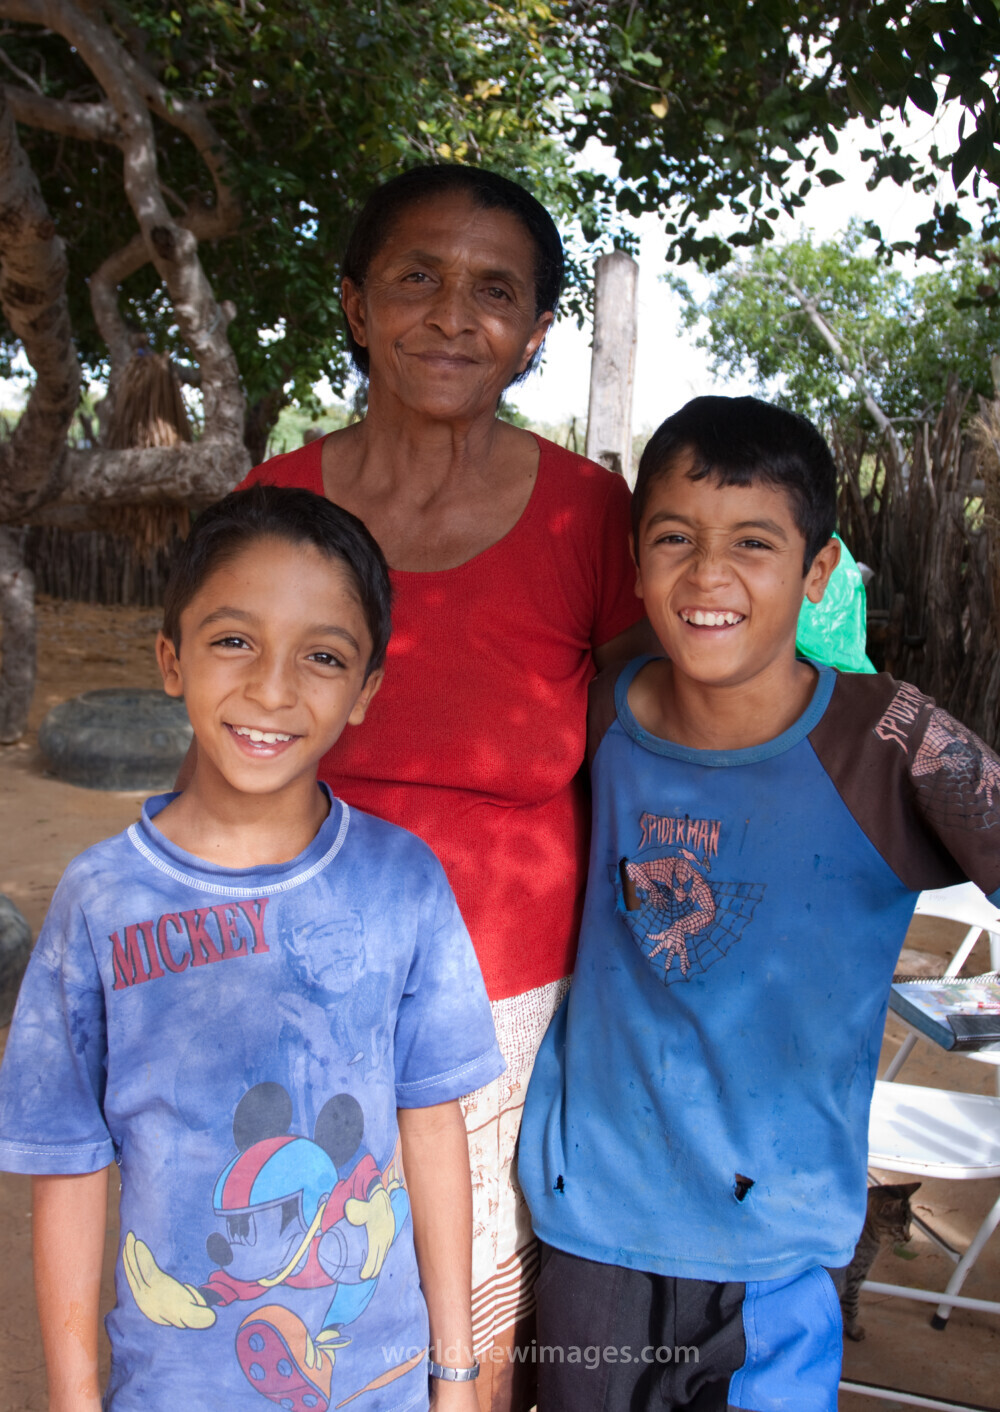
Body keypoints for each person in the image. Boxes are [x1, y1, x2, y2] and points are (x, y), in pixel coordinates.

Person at [234, 163, 646, 1410]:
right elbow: (221, 754)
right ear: (357, 305)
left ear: (531, 334)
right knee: (298, 1300)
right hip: (292, 983)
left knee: (471, 1336)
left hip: (511, 1014)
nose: (451, 316)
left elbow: (646, 743)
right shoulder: (272, 505)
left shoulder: (591, 520)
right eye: (417, 277)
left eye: (493, 291)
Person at [519, 396, 1000, 1412]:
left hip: (778, 1249)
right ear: (637, 558)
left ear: (815, 571)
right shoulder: (596, 712)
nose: (707, 576)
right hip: (591, 1231)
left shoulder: (890, 745)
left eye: (752, 542)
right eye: (674, 539)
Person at [0, 485, 505, 1412]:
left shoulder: (402, 882)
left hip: (379, 1386)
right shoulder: (101, 901)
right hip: (175, 1391)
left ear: (366, 693)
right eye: (235, 640)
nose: (273, 687)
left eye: (322, 656)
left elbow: (431, 1127)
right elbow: (68, 1167)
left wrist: (456, 1374)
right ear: (170, 659)